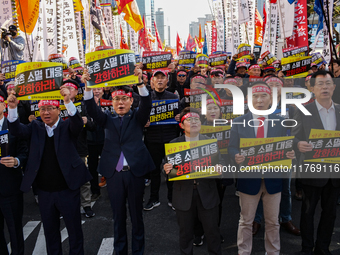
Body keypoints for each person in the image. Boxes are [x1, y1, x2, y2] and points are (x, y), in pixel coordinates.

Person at [7, 88, 92, 255]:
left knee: (74, 231)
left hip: (68, 189)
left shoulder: (68, 125)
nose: (46, 113)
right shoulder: (35, 128)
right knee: (50, 232)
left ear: (58, 110)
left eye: (50, 109)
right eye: (42, 110)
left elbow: (77, 123)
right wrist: (11, 108)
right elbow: (17, 130)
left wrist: (68, 101)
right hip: (45, 192)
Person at [82, 66, 155, 255]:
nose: (120, 102)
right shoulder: (106, 118)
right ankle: (120, 251)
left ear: (131, 101)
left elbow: (147, 103)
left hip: (135, 173)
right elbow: (91, 108)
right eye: (116, 99)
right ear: (111, 102)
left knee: (137, 217)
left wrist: (140, 83)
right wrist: (88, 86)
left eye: (124, 99)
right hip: (114, 175)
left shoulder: (138, 117)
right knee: (118, 217)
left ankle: (138, 251)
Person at [228, 81, 295, 255]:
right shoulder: (238, 121)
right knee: (246, 221)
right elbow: (231, 147)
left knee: (273, 221)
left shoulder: (281, 122)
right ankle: (244, 252)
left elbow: (287, 146)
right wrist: (236, 156)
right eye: (255, 96)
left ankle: (273, 252)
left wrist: (290, 153)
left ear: (270, 98)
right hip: (249, 178)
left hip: (273, 179)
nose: (259, 100)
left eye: (263, 95)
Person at [291, 70, 340, 255]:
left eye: (328, 84)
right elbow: (293, 138)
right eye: (320, 84)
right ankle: (306, 247)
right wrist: (298, 144)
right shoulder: (304, 110)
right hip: (311, 170)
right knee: (307, 212)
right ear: (312, 88)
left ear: (334, 87)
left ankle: (322, 248)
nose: (324, 87)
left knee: (330, 214)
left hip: (334, 173)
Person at [163, 107, 223, 255]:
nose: (194, 122)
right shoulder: (174, 144)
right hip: (183, 195)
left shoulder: (210, 143)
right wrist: (166, 168)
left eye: (197, 119)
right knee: (185, 236)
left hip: (207, 194)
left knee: (213, 233)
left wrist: (220, 168)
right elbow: (167, 169)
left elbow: (220, 164)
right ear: (182, 125)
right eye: (189, 119)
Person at [252, 76, 300, 236]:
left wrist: (292, 147)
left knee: (284, 188)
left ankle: (285, 218)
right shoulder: (257, 106)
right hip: (261, 152)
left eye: (276, 84)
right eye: (270, 85)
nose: (273, 87)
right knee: (259, 187)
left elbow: (296, 130)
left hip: (283, 153)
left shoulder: (291, 108)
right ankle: (256, 220)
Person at [143, 70, 179, 211]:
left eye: (162, 78)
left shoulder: (173, 97)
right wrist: (143, 121)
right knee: (154, 171)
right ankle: (154, 198)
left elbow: (181, 114)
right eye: (156, 78)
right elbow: (140, 115)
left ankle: (172, 198)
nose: (159, 80)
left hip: (171, 138)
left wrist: (179, 117)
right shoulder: (146, 97)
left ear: (167, 81)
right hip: (152, 139)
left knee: (172, 170)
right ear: (152, 81)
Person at [0, 90, 28, 255]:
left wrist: (17, 161)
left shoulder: (13, 127)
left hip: (10, 187)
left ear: (3, 105)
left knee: (15, 229)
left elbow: (24, 152)